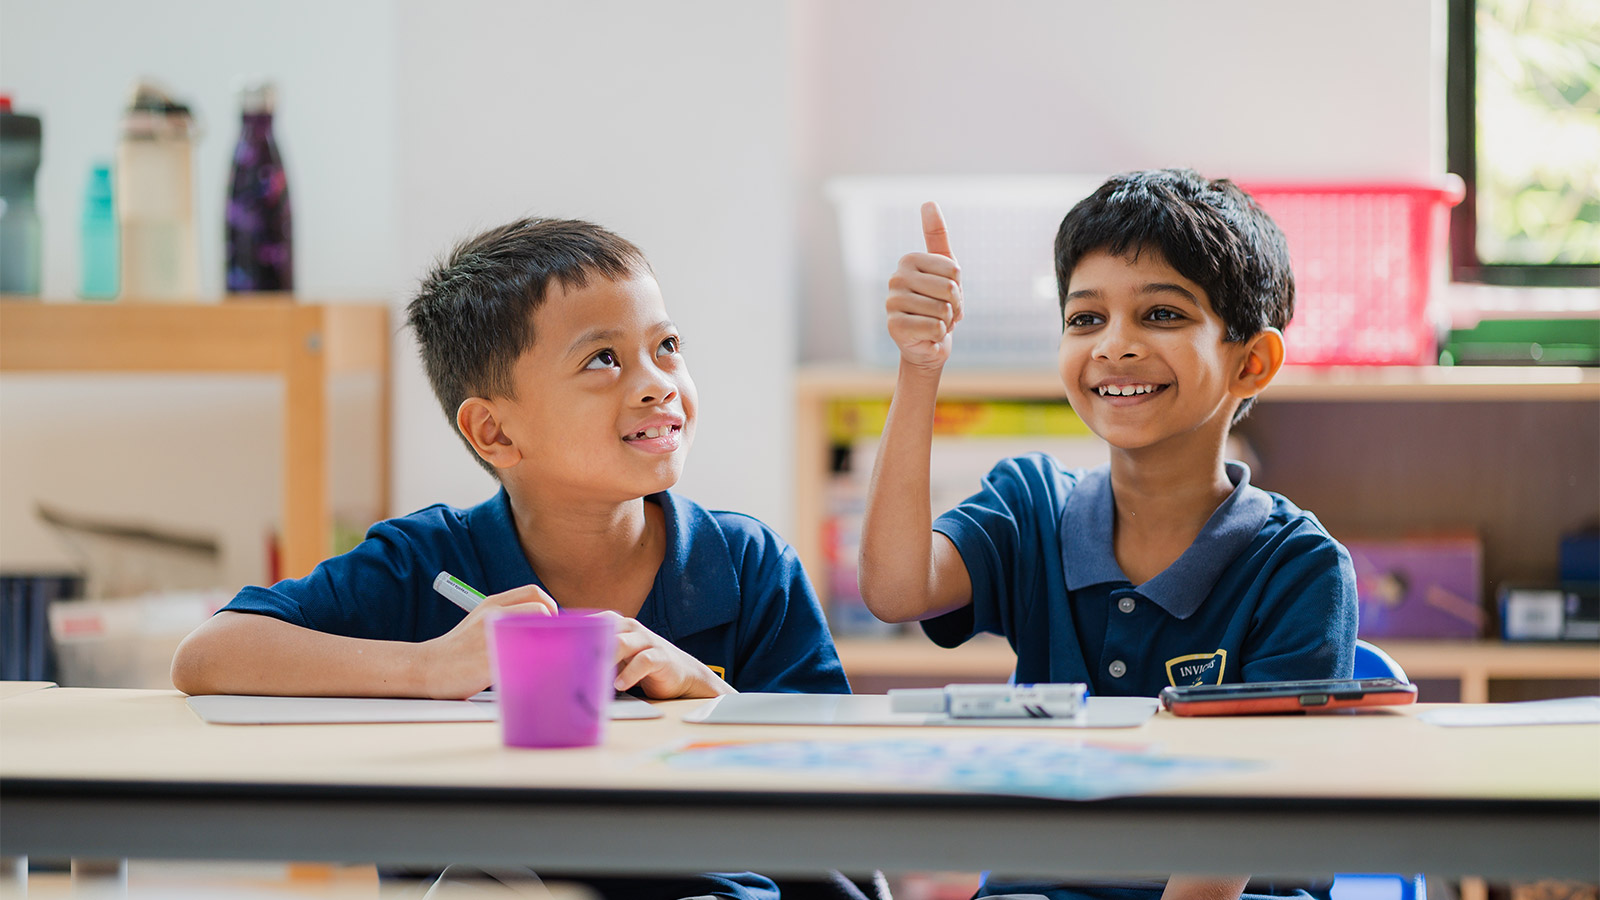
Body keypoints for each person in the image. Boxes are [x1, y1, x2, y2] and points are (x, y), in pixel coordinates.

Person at [171, 216, 854, 900]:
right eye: (603, 360)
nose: (658, 383)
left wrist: (712, 702)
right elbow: (210, 654)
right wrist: (429, 666)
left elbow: (846, 795)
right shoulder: (426, 566)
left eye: (666, 345)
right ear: (493, 430)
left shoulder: (748, 564)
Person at [857, 169, 1358, 900]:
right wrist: (919, 365)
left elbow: (1241, 826)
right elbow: (895, 588)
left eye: (1161, 314)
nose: (1114, 346)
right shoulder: (1031, 506)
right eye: (1085, 319)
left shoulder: (1299, 568)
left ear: (1252, 362)